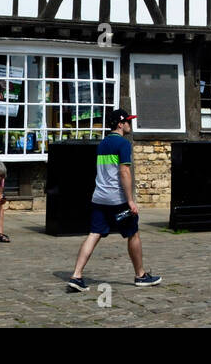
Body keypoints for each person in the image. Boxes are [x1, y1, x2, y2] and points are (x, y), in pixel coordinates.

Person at [67, 110, 161, 291]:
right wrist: (130, 201)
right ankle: (140, 275)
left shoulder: (102, 143)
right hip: (117, 199)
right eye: (128, 121)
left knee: (94, 234)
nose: (130, 125)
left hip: (99, 197)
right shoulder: (123, 144)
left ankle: (76, 275)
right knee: (133, 233)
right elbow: (124, 172)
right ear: (120, 124)